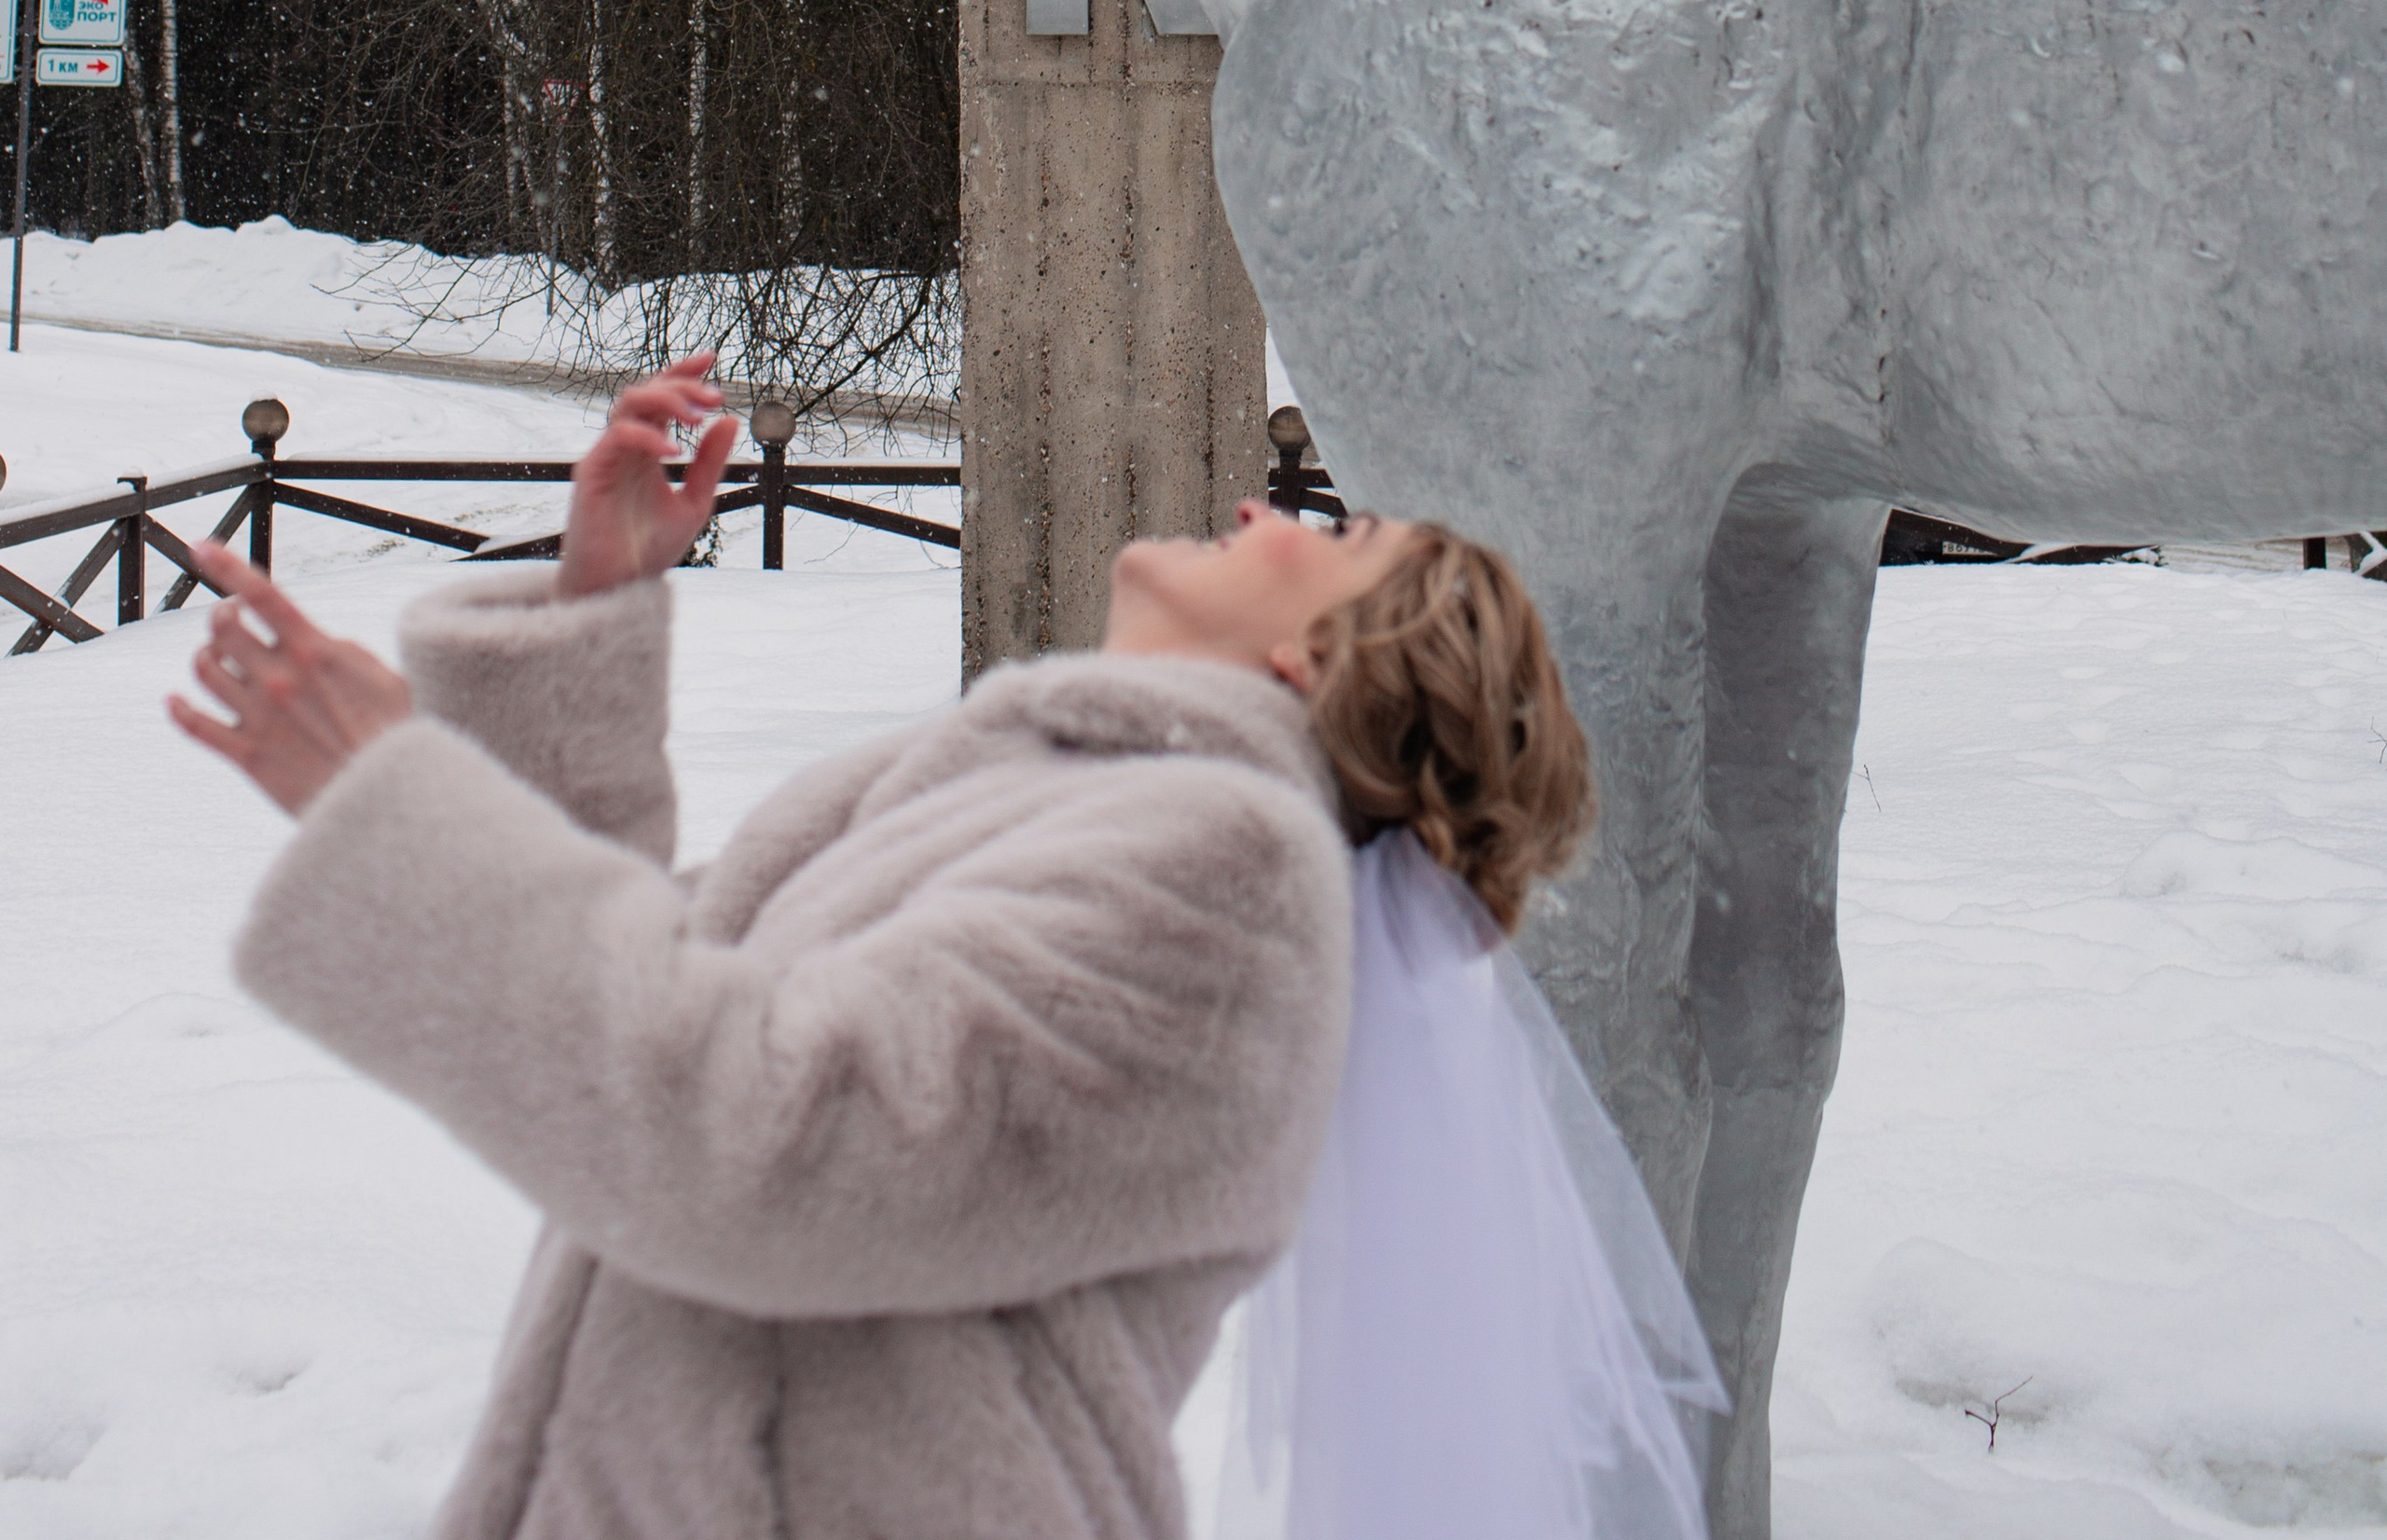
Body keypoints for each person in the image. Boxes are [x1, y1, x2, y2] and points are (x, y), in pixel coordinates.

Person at [172, 355, 1706, 1540]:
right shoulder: (1043, 801)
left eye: (1336, 535)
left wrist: (400, 805)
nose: (1260, 508)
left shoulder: (1228, 888)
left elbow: (744, 1138)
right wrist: (595, 609)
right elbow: (649, 1017)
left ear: (1334, 656)